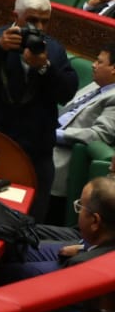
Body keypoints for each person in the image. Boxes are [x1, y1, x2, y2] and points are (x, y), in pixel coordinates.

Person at [0, 0, 78, 220]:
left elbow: (67, 91)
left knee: (32, 217)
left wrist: (45, 67)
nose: (39, 27)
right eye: (32, 20)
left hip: (36, 150)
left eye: (45, 21)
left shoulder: (53, 49)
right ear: (16, 16)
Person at [0, 176, 115, 281]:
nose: (78, 210)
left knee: (6, 271)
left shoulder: (81, 264)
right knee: (16, 248)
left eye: (80, 206)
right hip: (86, 247)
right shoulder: (106, 239)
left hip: (68, 272)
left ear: (95, 221)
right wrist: (83, 248)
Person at [53, 44, 115, 203]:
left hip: (63, 156)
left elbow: (99, 135)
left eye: (99, 62)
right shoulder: (97, 84)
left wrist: (52, 134)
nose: (93, 65)